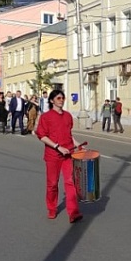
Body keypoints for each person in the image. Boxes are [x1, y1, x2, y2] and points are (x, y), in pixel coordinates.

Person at [36, 90, 84, 223]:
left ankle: (73, 212)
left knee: (71, 182)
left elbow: (69, 134)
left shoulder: (68, 116)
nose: (61, 100)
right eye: (58, 98)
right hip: (53, 155)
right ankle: (52, 208)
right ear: (52, 101)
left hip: (68, 154)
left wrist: (77, 144)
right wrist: (57, 147)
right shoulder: (46, 117)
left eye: (63, 98)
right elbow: (42, 136)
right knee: (52, 184)